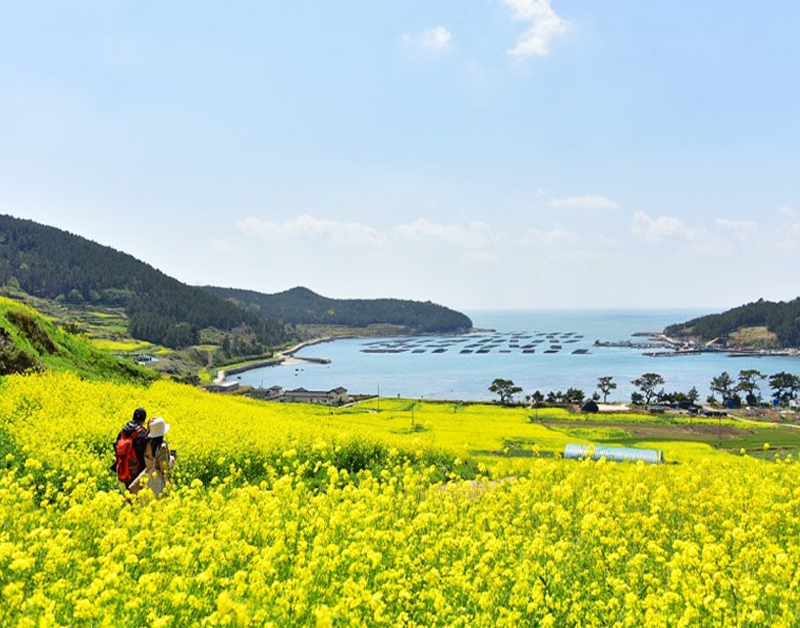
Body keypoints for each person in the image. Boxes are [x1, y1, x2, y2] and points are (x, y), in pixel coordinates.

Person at [130, 417, 176, 499]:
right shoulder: (162, 447)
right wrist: (172, 459)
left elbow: (149, 465)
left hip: (148, 482)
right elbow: (164, 469)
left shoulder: (147, 444)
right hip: (158, 485)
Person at [113, 407, 149, 491]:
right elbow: (142, 453)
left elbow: (117, 446)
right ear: (144, 419)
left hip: (122, 465)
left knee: (128, 490)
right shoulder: (141, 433)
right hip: (135, 467)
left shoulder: (123, 430)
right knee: (136, 492)